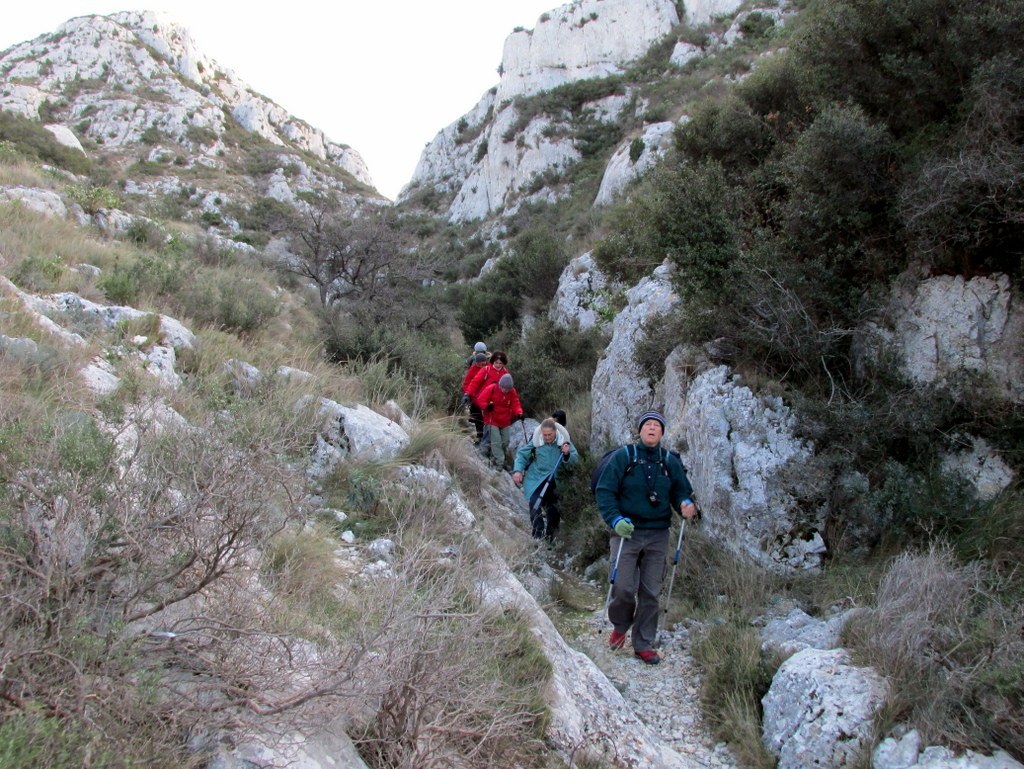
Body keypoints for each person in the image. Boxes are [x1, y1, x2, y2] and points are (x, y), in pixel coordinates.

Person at [595, 410, 698, 665]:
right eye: (647, 425)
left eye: (657, 426)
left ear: (662, 432)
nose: (652, 429)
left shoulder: (669, 461)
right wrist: (616, 520)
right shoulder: (624, 457)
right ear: (640, 430)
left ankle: (643, 643)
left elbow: (681, 491)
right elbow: (605, 491)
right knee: (623, 587)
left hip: (658, 533)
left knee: (651, 591)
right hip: (626, 532)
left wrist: (685, 504)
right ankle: (621, 625)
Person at [513, 417, 579, 541]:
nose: (547, 437)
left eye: (550, 434)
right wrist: (518, 470)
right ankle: (537, 534)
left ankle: (550, 539)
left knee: (554, 510)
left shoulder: (564, 442)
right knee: (534, 503)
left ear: (555, 432)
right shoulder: (536, 441)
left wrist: (567, 454)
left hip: (556, 482)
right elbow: (522, 455)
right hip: (537, 479)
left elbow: (575, 462)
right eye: (545, 435)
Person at [474, 372, 523, 470]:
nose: (505, 390)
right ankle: (500, 462)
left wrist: (519, 413)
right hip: (492, 419)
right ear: (499, 385)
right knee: (496, 441)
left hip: (505, 420)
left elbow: (515, 403)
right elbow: (480, 400)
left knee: (505, 441)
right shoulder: (492, 388)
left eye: (507, 389)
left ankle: (495, 457)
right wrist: (487, 406)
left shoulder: (512, 392)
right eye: (503, 388)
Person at [460, 352, 488, 444]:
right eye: (479, 364)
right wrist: (467, 394)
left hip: (488, 396)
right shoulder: (473, 369)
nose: (480, 366)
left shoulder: (489, 369)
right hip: (475, 397)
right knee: (478, 417)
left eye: (482, 364)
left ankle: (488, 437)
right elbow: (467, 383)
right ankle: (480, 436)